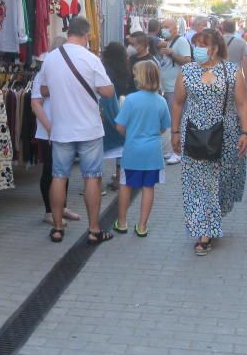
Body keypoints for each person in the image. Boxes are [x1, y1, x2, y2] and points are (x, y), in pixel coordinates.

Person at [171, 29, 247, 256]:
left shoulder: (232, 71)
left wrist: (246, 132)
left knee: (221, 181)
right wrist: (175, 131)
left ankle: (211, 216)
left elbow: (243, 103)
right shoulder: (186, 71)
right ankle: (203, 232)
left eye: (202, 44)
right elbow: (177, 103)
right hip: (194, 134)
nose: (197, 48)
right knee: (199, 183)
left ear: (215, 48)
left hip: (225, 134)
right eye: (195, 44)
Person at [38, 16, 117, 245]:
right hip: (89, 129)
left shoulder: (50, 58)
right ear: (86, 34)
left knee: (58, 176)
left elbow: (43, 90)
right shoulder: (91, 59)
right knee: (92, 178)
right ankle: (94, 229)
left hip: (61, 128)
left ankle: (57, 228)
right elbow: (108, 92)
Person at [113, 60, 170, 237]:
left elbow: (120, 126)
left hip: (132, 150)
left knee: (126, 185)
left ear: (141, 77)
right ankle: (142, 226)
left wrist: (131, 134)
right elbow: (164, 127)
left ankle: (122, 222)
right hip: (152, 152)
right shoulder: (161, 101)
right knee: (148, 187)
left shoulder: (130, 100)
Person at [31, 37, 82, 226]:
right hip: (49, 131)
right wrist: (50, 128)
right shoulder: (43, 74)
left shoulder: (67, 73)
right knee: (50, 171)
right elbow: (35, 104)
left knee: (64, 170)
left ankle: (62, 207)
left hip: (66, 129)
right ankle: (49, 211)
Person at [158, 17, 192, 165]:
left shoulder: (181, 42)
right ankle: (174, 149)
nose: (164, 29)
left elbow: (187, 61)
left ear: (175, 28)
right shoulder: (169, 42)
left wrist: (172, 53)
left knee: (176, 120)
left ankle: (178, 152)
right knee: (172, 119)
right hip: (167, 87)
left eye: (167, 26)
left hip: (175, 87)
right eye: (162, 26)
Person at [101, 41, 133, 191]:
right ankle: (120, 177)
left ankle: (96, 180)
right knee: (122, 143)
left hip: (108, 109)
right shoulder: (126, 69)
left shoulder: (104, 70)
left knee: (100, 145)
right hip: (124, 106)